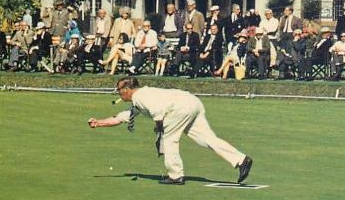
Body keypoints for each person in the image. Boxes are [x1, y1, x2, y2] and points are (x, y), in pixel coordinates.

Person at [87, 77, 253, 185]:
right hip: (192, 102)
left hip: (180, 107)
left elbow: (158, 111)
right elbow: (121, 117)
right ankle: (241, 160)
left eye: (119, 90)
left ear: (126, 89)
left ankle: (175, 175)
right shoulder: (139, 99)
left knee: (169, 139)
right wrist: (99, 123)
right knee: (207, 139)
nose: (119, 94)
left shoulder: (140, 96)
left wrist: (159, 129)